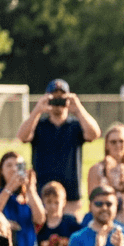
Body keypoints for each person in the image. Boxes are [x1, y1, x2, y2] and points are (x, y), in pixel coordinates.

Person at [16, 79, 102, 216]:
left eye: (62, 98)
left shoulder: (75, 125)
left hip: (71, 196)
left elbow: (94, 133)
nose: (58, 103)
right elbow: (22, 136)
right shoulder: (38, 125)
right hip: (42, 196)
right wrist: (38, 110)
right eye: (54, 98)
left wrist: (78, 109)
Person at [0, 152, 45, 246]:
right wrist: (9, 188)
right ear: (1, 171)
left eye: (18, 165)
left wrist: (30, 190)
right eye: (9, 165)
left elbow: (40, 219)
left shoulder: (28, 196)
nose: (14, 169)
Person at [87, 123, 124, 230]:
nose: (118, 145)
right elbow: (92, 202)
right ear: (107, 145)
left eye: (121, 141)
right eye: (113, 142)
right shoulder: (96, 170)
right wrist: (109, 174)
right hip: (104, 222)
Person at [34, 182, 82, 246]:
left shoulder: (70, 221)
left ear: (64, 202)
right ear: (43, 201)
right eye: (49, 202)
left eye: (56, 202)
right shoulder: (41, 224)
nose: (53, 206)